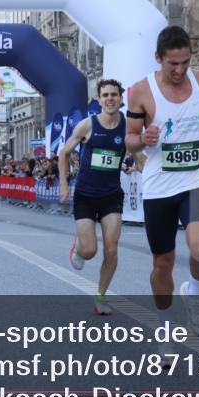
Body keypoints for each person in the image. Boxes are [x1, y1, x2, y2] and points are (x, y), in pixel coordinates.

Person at [125, 26, 199, 342]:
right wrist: (142, 139)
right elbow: (129, 141)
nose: (180, 70)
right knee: (163, 264)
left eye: (185, 62)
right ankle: (165, 328)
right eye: (173, 64)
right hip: (158, 187)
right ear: (159, 58)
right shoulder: (141, 91)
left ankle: (194, 294)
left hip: (196, 180)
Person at [60, 78, 131, 316]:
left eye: (114, 94)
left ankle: (100, 296)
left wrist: (139, 164)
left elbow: (137, 156)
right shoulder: (86, 125)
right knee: (90, 251)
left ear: (121, 99)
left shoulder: (128, 127)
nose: (110, 98)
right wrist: (63, 184)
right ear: (99, 100)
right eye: (105, 95)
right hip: (86, 195)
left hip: (112, 196)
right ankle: (79, 248)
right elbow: (64, 153)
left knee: (111, 250)